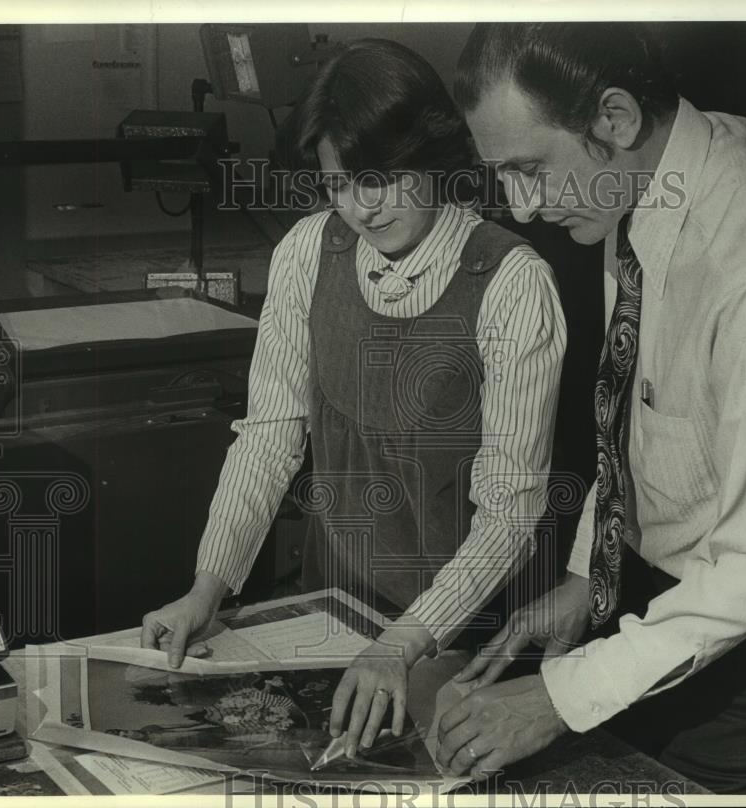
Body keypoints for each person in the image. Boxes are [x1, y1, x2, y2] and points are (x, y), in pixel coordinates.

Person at [436, 22, 746, 794]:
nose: (519, 204)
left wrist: (557, 696)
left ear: (613, 118)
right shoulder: (659, 171)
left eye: (529, 168)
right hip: (685, 595)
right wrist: (590, 574)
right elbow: (638, 411)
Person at [141, 38, 565, 762]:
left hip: (465, 636)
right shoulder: (308, 253)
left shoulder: (513, 283)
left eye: (379, 179)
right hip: (331, 612)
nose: (360, 208)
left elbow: (510, 516)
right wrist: (206, 589)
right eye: (339, 184)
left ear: (430, 154)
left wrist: (402, 645)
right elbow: (270, 438)